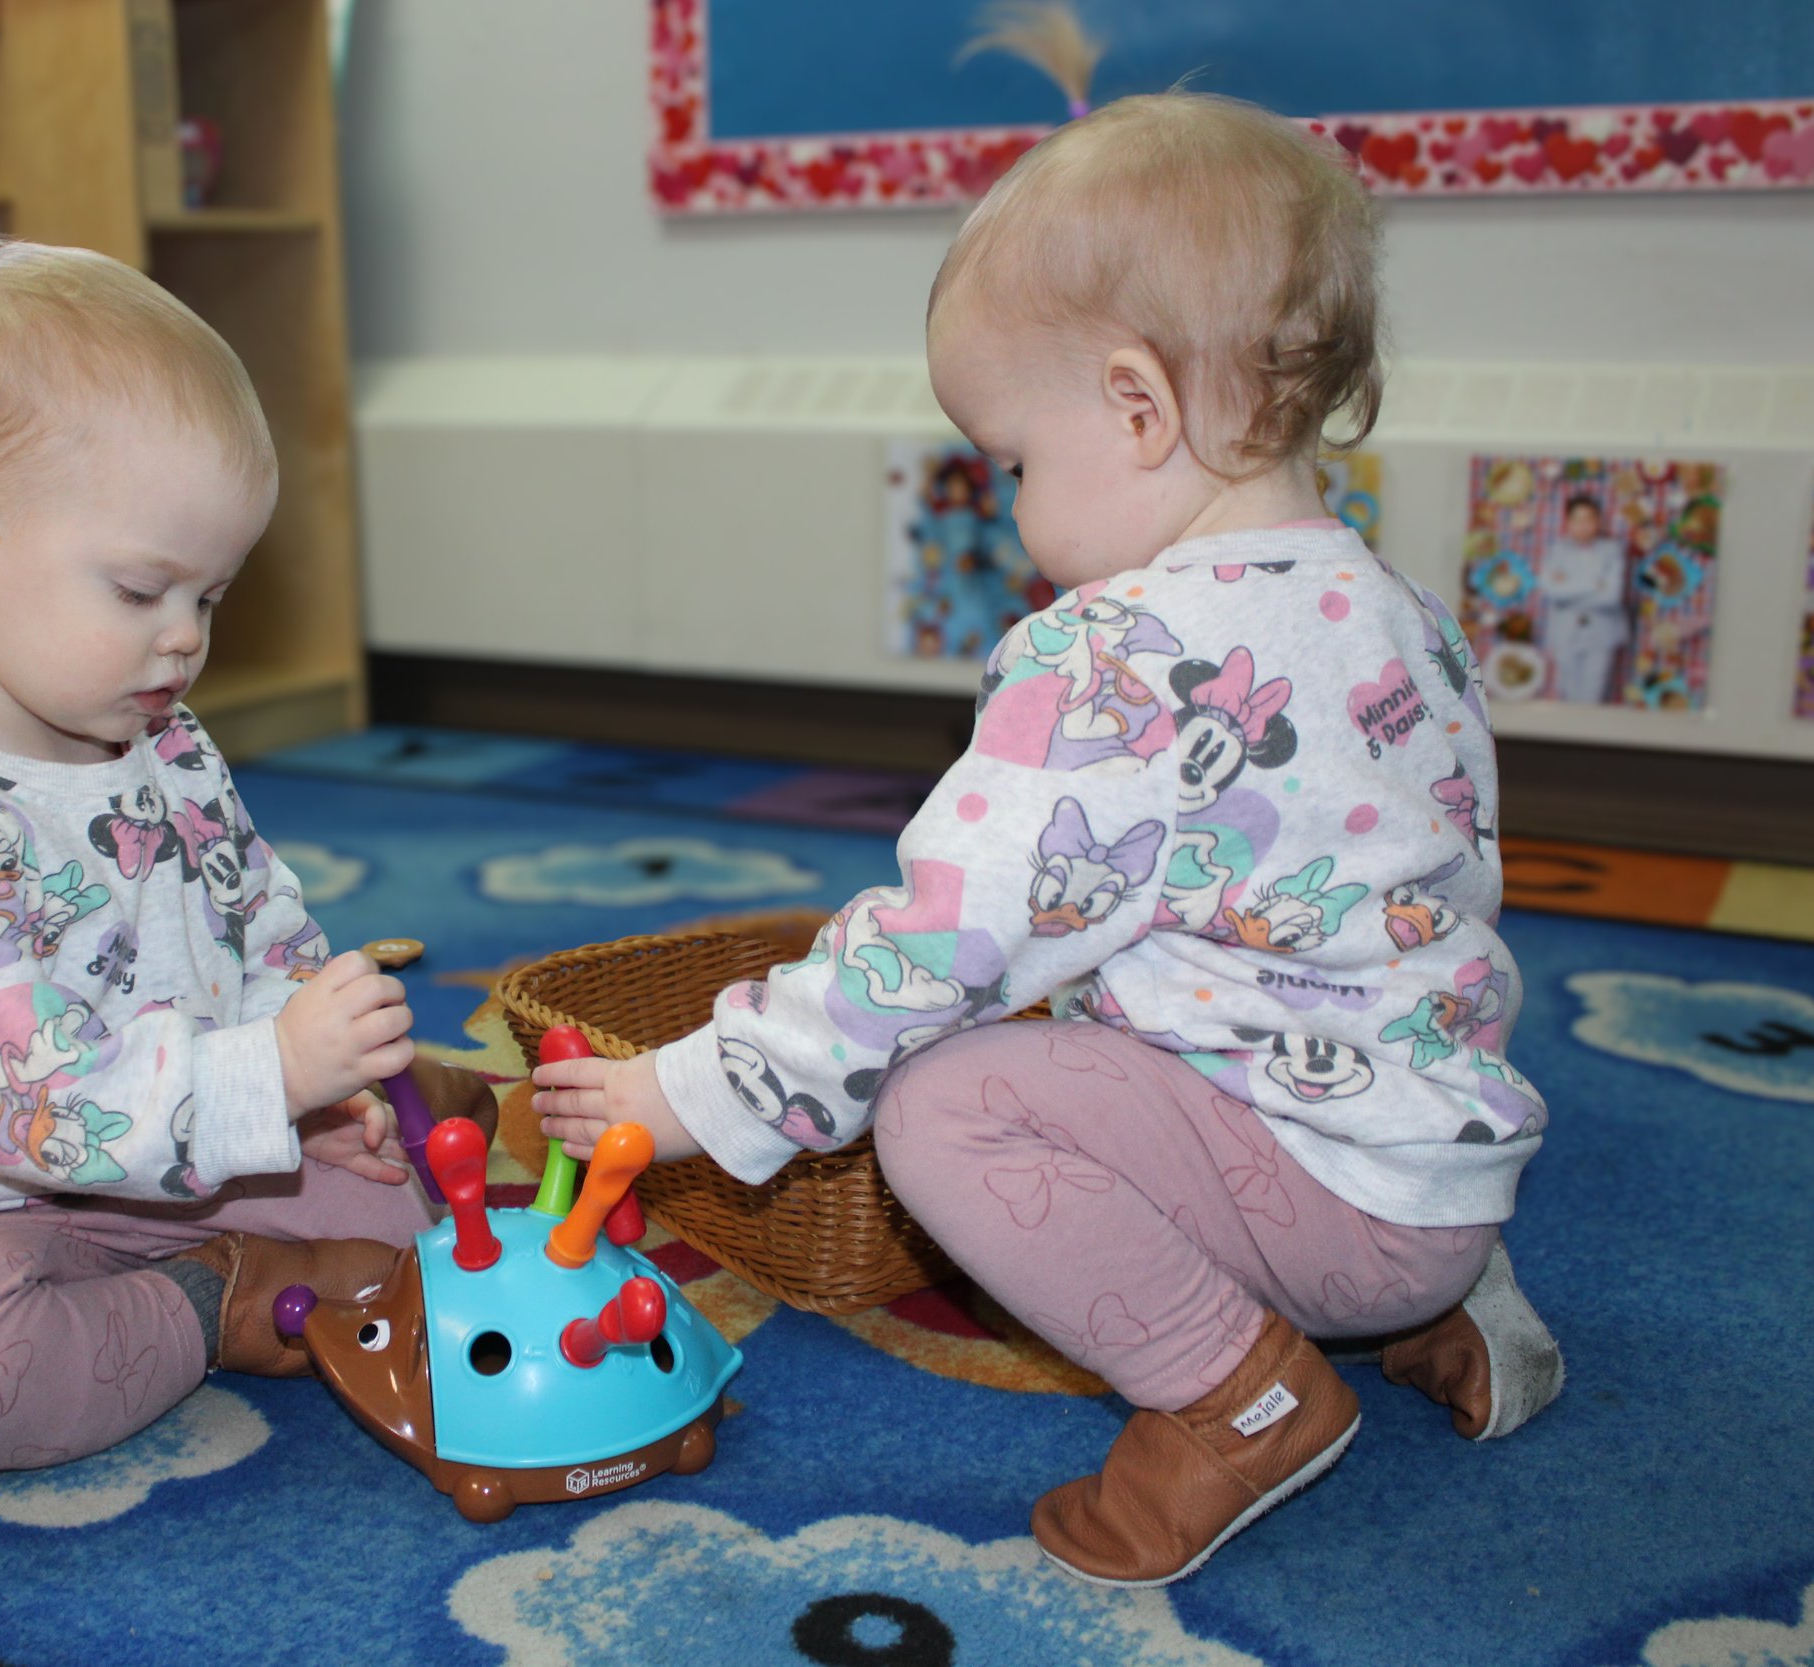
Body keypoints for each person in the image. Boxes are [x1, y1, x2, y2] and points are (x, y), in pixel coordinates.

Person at [536, 95, 1563, 1587]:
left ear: (1137, 408)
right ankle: (1433, 1301)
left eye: (1012, 458)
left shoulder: (1117, 655)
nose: (1010, 509)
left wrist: (696, 1086)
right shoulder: (1395, 616)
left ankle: (1238, 1393)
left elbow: (934, 944)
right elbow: (1443, 891)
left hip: (1329, 1196)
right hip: (1439, 1169)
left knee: (950, 1104)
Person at [0, 234, 488, 1475]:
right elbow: (27, 1103)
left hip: (186, 1160)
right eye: (141, 589)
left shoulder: (163, 741)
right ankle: (217, 1302)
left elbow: (254, 922)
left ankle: (287, 1217)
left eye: (207, 599)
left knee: (404, 1222)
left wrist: (308, 1085)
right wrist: (262, 1076)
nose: (182, 641)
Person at [1536, 494, 1630, 704]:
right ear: (1568, 522)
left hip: (1602, 631)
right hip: (1566, 631)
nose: (1583, 526)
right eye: (1577, 519)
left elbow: (1611, 597)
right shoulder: (1557, 550)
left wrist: (1569, 586)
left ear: (1598, 522)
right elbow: (1551, 591)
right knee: (1568, 693)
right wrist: (1593, 584)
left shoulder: (1611, 550)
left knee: (1593, 695)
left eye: (1589, 519)